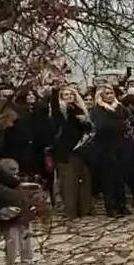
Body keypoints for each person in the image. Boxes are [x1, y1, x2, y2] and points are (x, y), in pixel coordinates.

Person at [50, 86, 93, 218]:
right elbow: (56, 111)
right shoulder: (60, 112)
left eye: (71, 95)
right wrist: (55, 91)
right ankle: (71, 212)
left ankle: (84, 210)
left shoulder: (79, 110)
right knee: (69, 183)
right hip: (65, 152)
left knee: (84, 180)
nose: (69, 97)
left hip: (80, 150)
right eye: (65, 95)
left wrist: (85, 122)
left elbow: (89, 129)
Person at [90, 86, 129, 217]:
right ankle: (111, 207)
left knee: (120, 178)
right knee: (108, 180)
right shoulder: (97, 110)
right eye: (107, 93)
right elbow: (102, 126)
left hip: (120, 146)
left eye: (112, 93)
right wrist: (119, 124)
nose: (110, 95)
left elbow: (127, 121)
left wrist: (120, 124)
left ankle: (122, 205)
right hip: (105, 148)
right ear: (101, 96)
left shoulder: (120, 107)